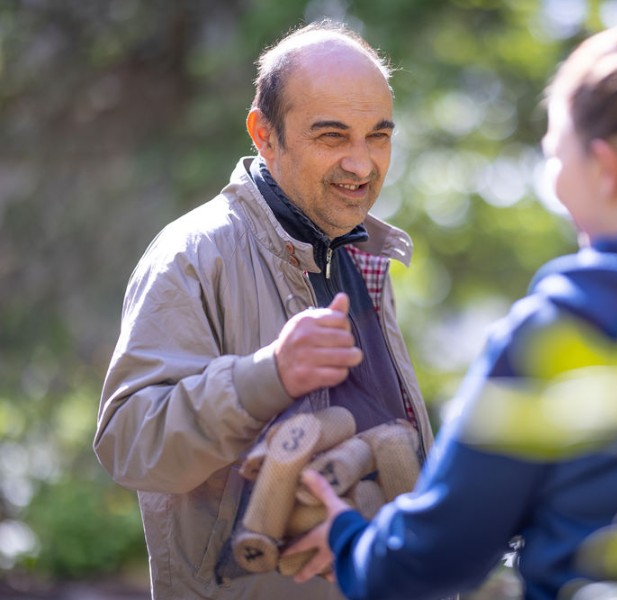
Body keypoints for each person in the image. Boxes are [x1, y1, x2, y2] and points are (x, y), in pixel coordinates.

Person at [285, 12, 617, 600]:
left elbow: (428, 559)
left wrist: (350, 537)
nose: (552, 184)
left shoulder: (557, 335)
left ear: (604, 168)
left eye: (556, 157)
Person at [93, 20, 434, 600]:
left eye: (378, 135)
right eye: (332, 136)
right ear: (263, 134)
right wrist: (267, 377)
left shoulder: (360, 253)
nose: (362, 164)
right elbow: (130, 444)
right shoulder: (195, 254)